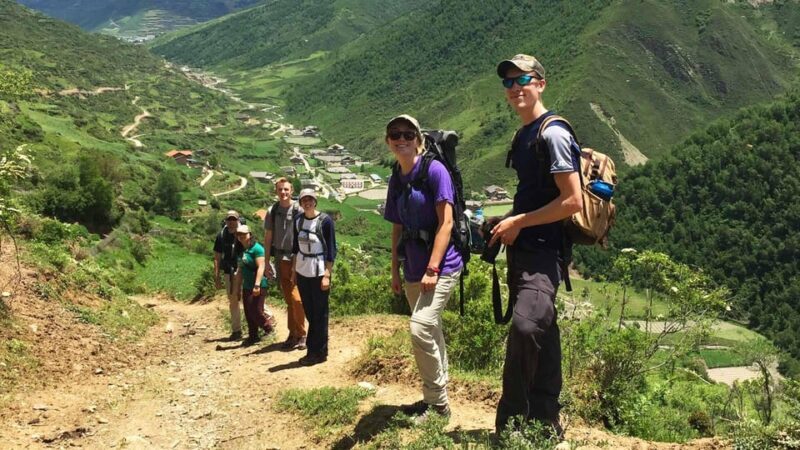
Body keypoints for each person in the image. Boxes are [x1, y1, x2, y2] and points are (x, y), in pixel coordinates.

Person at [490, 54, 583, 437]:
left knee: (527, 327)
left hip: (545, 251)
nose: (514, 88)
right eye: (508, 83)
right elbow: (530, 196)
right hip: (524, 249)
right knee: (544, 329)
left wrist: (520, 221)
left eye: (522, 80)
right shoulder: (523, 134)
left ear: (540, 83)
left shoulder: (553, 133)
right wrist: (503, 222)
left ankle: (510, 423)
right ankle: (546, 418)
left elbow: (572, 200)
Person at [382, 114, 463, 423]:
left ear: (418, 139)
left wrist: (432, 269)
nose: (400, 138)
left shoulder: (435, 170)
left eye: (407, 133)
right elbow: (397, 228)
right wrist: (394, 271)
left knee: (420, 326)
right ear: (388, 141)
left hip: (441, 266)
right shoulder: (396, 177)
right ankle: (437, 393)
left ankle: (438, 405)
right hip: (412, 267)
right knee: (431, 327)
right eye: (394, 134)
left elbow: (447, 223)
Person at [291, 189, 337, 366]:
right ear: (301, 203)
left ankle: (315, 352)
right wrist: (294, 271)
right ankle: (319, 350)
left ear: (315, 201)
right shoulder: (298, 221)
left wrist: (327, 274)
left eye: (310, 200)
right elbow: (295, 246)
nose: (307, 203)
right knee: (310, 311)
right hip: (303, 270)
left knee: (320, 313)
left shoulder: (325, 221)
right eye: (304, 200)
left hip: (319, 271)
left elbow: (331, 249)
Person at [264, 177, 307, 351]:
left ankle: (302, 333)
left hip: (295, 258)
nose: (283, 192)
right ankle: (293, 333)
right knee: (289, 299)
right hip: (280, 259)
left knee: (297, 299)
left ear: (292, 191)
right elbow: (268, 238)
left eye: (286, 190)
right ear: (276, 191)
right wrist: (266, 262)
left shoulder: (298, 209)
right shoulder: (272, 211)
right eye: (280, 189)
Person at [235, 224, 276, 346]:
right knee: (248, 311)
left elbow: (261, 267)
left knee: (256, 310)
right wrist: (237, 288)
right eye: (239, 234)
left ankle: (268, 328)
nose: (241, 236)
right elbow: (240, 270)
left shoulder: (257, 249)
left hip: (258, 284)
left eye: (244, 234)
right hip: (247, 285)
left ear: (250, 235)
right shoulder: (242, 250)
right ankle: (253, 336)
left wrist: (257, 285)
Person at [213, 210, 244, 341]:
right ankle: (237, 330)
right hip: (228, 271)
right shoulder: (221, 236)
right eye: (229, 220)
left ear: (238, 220)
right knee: (233, 301)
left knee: (249, 297)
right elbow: (217, 257)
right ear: (226, 221)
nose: (231, 222)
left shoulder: (243, 233)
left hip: (244, 270)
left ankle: (265, 321)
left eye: (234, 220)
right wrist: (216, 276)